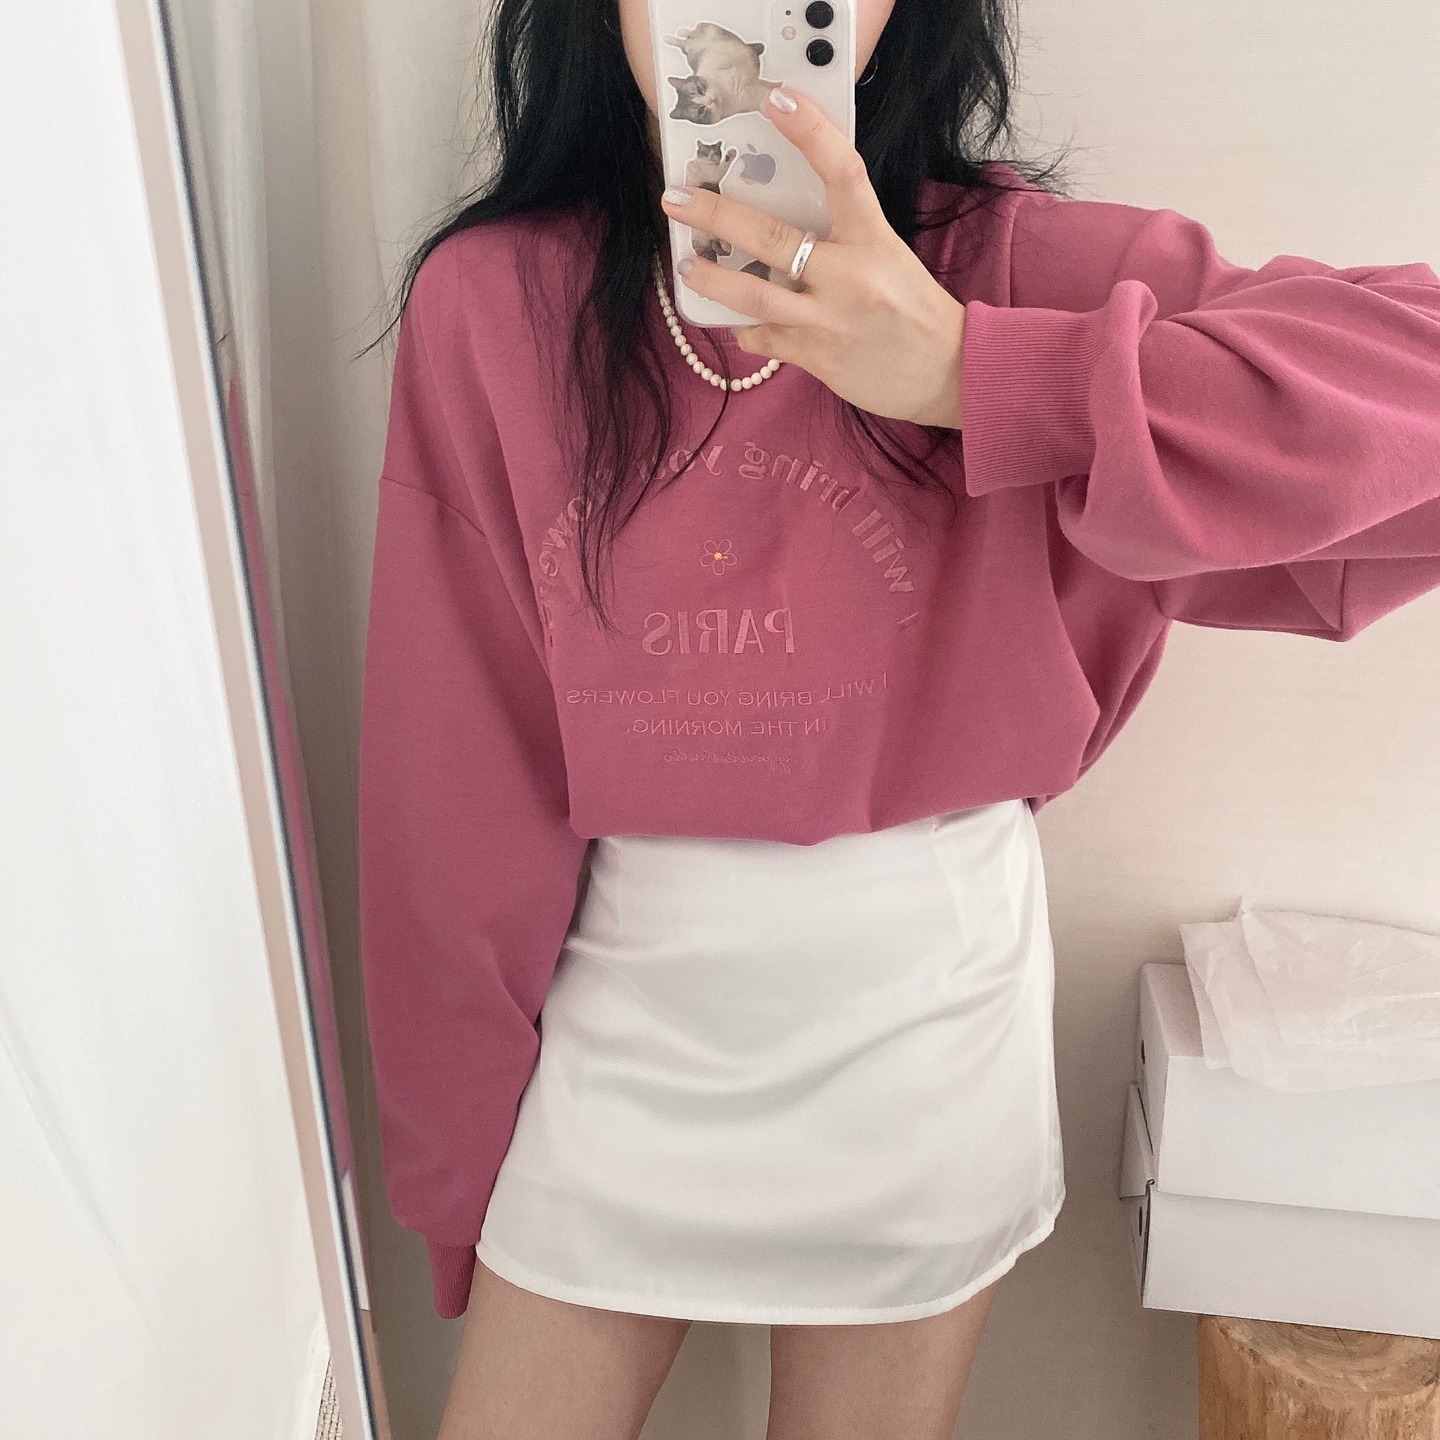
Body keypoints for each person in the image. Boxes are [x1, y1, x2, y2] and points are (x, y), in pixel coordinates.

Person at [356, 1, 1440, 1436]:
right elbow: (452, 792)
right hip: (609, 1022)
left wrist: (975, 373)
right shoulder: (495, 305)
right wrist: (454, 1177)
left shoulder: (1016, 272)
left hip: (922, 1027)